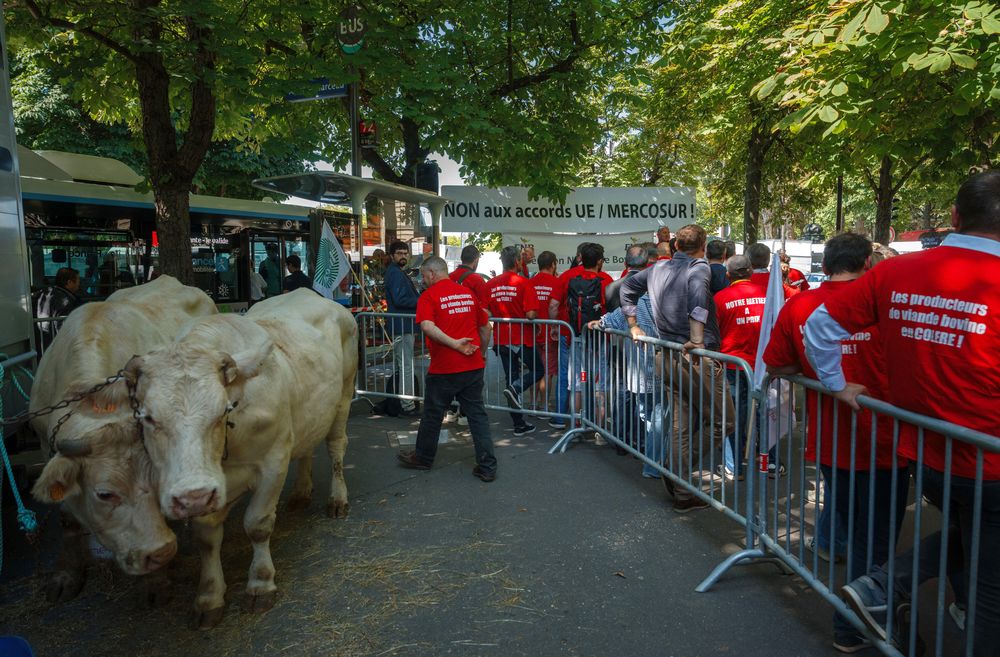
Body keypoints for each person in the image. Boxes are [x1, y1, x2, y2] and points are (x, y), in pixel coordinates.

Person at [804, 171, 1000, 656]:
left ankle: (884, 583)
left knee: (975, 538)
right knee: (991, 586)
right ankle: (888, 584)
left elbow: (820, 326)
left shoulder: (895, 273)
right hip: (987, 463)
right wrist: (837, 385)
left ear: (954, 216)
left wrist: (835, 383)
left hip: (930, 456)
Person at [765, 233, 909, 653]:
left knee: (855, 528)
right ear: (867, 263)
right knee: (874, 543)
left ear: (825, 265)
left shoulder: (799, 305)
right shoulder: (883, 305)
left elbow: (777, 363)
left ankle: (854, 621)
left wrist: (815, 374)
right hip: (884, 444)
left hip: (833, 444)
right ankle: (853, 627)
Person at [621, 224, 735, 513]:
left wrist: (633, 325)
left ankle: (681, 488)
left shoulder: (658, 268)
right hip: (694, 358)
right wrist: (696, 339)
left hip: (667, 356)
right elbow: (697, 301)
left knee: (680, 425)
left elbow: (627, 288)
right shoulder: (699, 268)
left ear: (675, 246)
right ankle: (675, 471)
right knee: (723, 421)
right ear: (703, 245)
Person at [396, 256, 497, 482]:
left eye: (424, 276)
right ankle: (488, 466)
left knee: (433, 415)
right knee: (477, 416)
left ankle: (423, 457)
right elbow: (485, 327)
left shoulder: (429, 296)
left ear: (432, 273)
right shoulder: (467, 293)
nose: (423, 280)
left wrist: (454, 344)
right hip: (472, 365)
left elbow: (427, 326)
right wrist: (481, 353)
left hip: (445, 368)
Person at [712, 255, 766, 480]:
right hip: (762, 367)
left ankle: (734, 467)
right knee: (765, 413)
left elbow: (714, 332)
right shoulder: (767, 295)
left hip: (733, 366)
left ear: (728, 275)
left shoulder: (720, 298)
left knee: (733, 415)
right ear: (751, 271)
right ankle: (769, 462)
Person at [549, 243, 613, 429]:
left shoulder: (568, 277)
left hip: (575, 337)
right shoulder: (606, 280)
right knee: (600, 384)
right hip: (600, 340)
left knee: (577, 382)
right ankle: (599, 430)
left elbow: (553, 305)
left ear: (580, 259)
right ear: (599, 261)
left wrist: (554, 327)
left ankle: (576, 424)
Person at [486, 246, 542, 436]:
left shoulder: (491, 284)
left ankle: (518, 424)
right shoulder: (524, 283)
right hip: (522, 339)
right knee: (538, 370)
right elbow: (531, 314)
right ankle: (516, 389)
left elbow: (486, 312)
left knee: (511, 377)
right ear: (517, 261)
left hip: (502, 339)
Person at [384, 240, 421, 415]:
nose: (403, 256)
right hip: (402, 325)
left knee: (402, 366)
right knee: (406, 366)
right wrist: (421, 300)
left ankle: (401, 403)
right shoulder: (395, 273)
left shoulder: (397, 272)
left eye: (405, 253)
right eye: (399, 253)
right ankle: (407, 405)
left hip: (402, 324)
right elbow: (400, 299)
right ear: (392, 256)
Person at [527, 251, 562, 415]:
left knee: (534, 370)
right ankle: (544, 406)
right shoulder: (557, 282)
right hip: (549, 334)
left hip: (532, 333)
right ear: (553, 264)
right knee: (547, 372)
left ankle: (532, 405)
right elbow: (554, 307)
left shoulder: (530, 283)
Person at [35, 267, 82, 339]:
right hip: (54, 341)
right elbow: (63, 330)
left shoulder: (44, 292)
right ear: (69, 282)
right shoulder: (65, 301)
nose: (79, 284)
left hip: (41, 338)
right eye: (78, 281)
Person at [605, 245, 648, 312]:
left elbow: (611, 313)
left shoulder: (610, 287)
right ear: (646, 264)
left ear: (625, 264)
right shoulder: (652, 286)